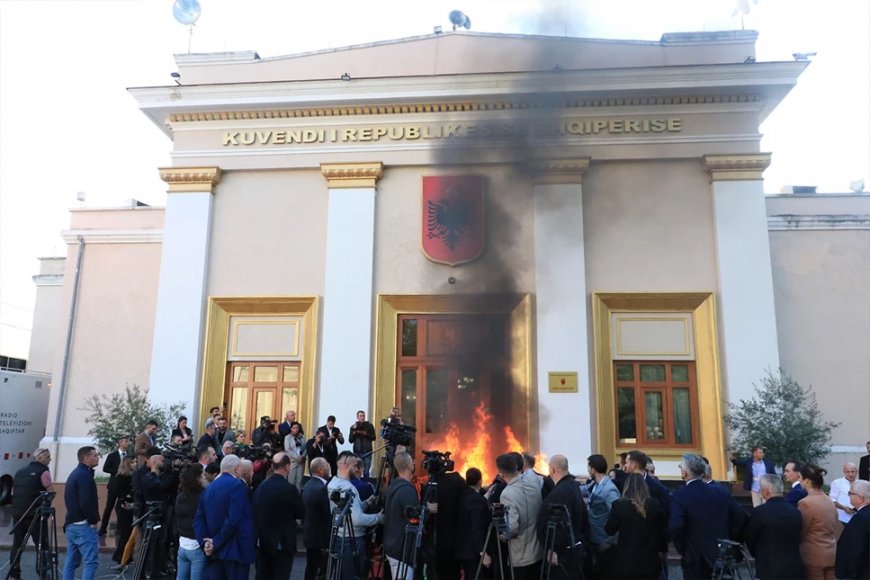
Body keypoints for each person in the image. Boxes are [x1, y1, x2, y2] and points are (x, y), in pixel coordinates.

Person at [670, 453, 746, 580]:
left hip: (695, 557)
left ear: (685, 473)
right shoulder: (721, 492)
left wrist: (684, 550)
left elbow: (676, 526)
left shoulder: (680, 495)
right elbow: (740, 518)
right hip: (721, 554)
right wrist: (729, 539)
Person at [194, 455, 255, 580]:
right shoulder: (237, 486)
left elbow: (198, 520)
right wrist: (216, 542)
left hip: (214, 553)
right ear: (237, 468)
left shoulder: (208, 489)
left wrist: (205, 542)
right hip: (235, 551)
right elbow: (234, 519)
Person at [327, 451, 382, 579]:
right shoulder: (348, 488)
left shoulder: (333, 484)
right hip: (352, 540)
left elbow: (348, 510)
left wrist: (367, 503)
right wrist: (379, 517)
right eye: (355, 465)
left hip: (339, 537)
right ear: (346, 465)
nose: (357, 469)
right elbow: (356, 519)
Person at [604, 473, 669, 580]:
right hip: (650, 562)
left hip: (625, 563)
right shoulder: (654, 505)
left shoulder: (619, 505)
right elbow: (663, 532)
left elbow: (609, 530)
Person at [252, 452, 305, 580]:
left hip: (263, 542)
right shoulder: (289, 489)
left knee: (263, 575)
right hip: (282, 542)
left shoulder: (261, 488)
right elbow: (300, 513)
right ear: (287, 467)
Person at [744, 474, 805, 580]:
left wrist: (756, 553)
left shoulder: (760, 512)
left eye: (761, 489)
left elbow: (751, 538)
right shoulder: (795, 511)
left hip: (769, 565)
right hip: (793, 564)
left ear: (766, 491)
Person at [537, 455, 588, 579]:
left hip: (564, 555)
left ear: (552, 470)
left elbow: (556, 523)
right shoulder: (573, 486)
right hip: (575, 546)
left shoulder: (558, 493)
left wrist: (552, 549)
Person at [496, 452, 543, 580]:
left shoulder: (507, 494)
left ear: (501, 473)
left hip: (521, 556)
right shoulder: (534, 483)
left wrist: (502, 535)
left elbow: (512, 527)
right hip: (538, 551)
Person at [9, 447, 53, 580]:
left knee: (17, 545)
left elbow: (12, 493)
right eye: (48, 457)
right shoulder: (44, 472)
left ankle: (15, 574)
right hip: (36, 514)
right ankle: (42, 574)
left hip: (18, 514)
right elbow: (50, 493)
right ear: (40, 458)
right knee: (41, 545)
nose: (50, 459)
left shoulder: (19, 472)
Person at [63, 446, 101, 580]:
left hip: (72, 524)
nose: (98, 458)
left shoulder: (76, 473)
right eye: (95, 455)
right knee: (91, 562)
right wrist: (93, 520)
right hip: (82, 525)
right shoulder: (84, 475)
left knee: (71, 562)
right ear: (86, 458)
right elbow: (85, 501)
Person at [798, 463, 840, 580]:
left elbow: (802, 531)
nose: (800, 481)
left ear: (807, 481)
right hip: (831, 552)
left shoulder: (806, 503)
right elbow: (836, 526)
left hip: (813, 554)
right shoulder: (829, 500)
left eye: (800, 478)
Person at [582, 453, 620, 576]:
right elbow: (583, 490)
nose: (587, 471)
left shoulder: (609, 490)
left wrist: (609, 542)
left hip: (603, 542)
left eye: (588, 468)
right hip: (595, 539)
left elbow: (617, 516)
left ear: (593, 469)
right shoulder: (595, 484)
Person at [383, 451, 419, 579]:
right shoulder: (407, 491)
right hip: (402, 549)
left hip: (392, 545)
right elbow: (414, 518)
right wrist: (427, 512)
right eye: (412, 461)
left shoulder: (392, 487)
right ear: (409, 465)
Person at [456, 467, 491, 578]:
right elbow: (477, 528)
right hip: (473, 552)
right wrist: (483, 552)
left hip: (461, 549)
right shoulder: (478, 501)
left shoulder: (461, 496)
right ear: (480, 481)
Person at [175, 463, 207, 580]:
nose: (205, 477)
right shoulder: (202, 497)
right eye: (203, 475)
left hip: (183, 545)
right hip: (196, 546)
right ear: (197, 478)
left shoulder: (180, 495)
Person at [302, 457, 332, 580]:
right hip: (320, 537)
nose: (329, 466)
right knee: (319, 570)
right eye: (326, 464)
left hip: (310, 534)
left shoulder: (307, 485)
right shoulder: (321, 488)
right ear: (320, 470)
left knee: (311, 568)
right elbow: (327, 512)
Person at [835, 479, 870, 579]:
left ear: (860, 498)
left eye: (850, 493)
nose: (849, 495)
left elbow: (854, 550)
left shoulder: (862, 518)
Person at [98, 435, 129, 536]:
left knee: (122, 507)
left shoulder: (129, 456)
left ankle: (121, 528)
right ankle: (103, 528)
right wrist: (117, 472)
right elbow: (105, 468)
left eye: (127, 441)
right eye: (125, 441)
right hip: (114, 485)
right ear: (119, 443)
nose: (127, 443)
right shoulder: (112, 455)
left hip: (125, 485)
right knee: (109, 506)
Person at [626, 450, 671, 515]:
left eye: (627, 462)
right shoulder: (626, 481)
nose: (625, 466)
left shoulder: (658, 488)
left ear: (633, 465)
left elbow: (666, 511)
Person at [111, 456, 137, 566]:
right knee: (125, 531)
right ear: (127, 464)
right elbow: (117, 491)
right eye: (132, 462)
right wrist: (126, 498)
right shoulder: (121, 476)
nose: (135, 464)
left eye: (135, 462)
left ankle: (127, 556)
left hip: (130, 505)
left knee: (129, 532)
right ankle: (119, 556)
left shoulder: (134, 476)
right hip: (123, 506)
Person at [349, 410, 376, 478]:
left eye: (363, 416)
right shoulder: (353, 427)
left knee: (366, 471)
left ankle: (366, 485)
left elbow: (374, 437)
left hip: (367, 451)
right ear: (357, 417)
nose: (362, 417)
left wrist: (366, 434)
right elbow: (350, 440)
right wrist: (354, 433)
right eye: (361, 416)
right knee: (357, 470)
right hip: (357, 452)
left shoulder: (369, 426)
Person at [284, 421, 307, 490]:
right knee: (291, 480)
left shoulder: (302, 437)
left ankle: (298, 497)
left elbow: (305, 448)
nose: (296, 429)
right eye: (294, 428)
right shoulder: (288, 437)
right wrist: (297, 457)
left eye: (297, 428)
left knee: (299, 481)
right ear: (291, 429)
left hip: (301, 461)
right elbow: (287, 449)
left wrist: (303, 456)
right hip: (292, 461)